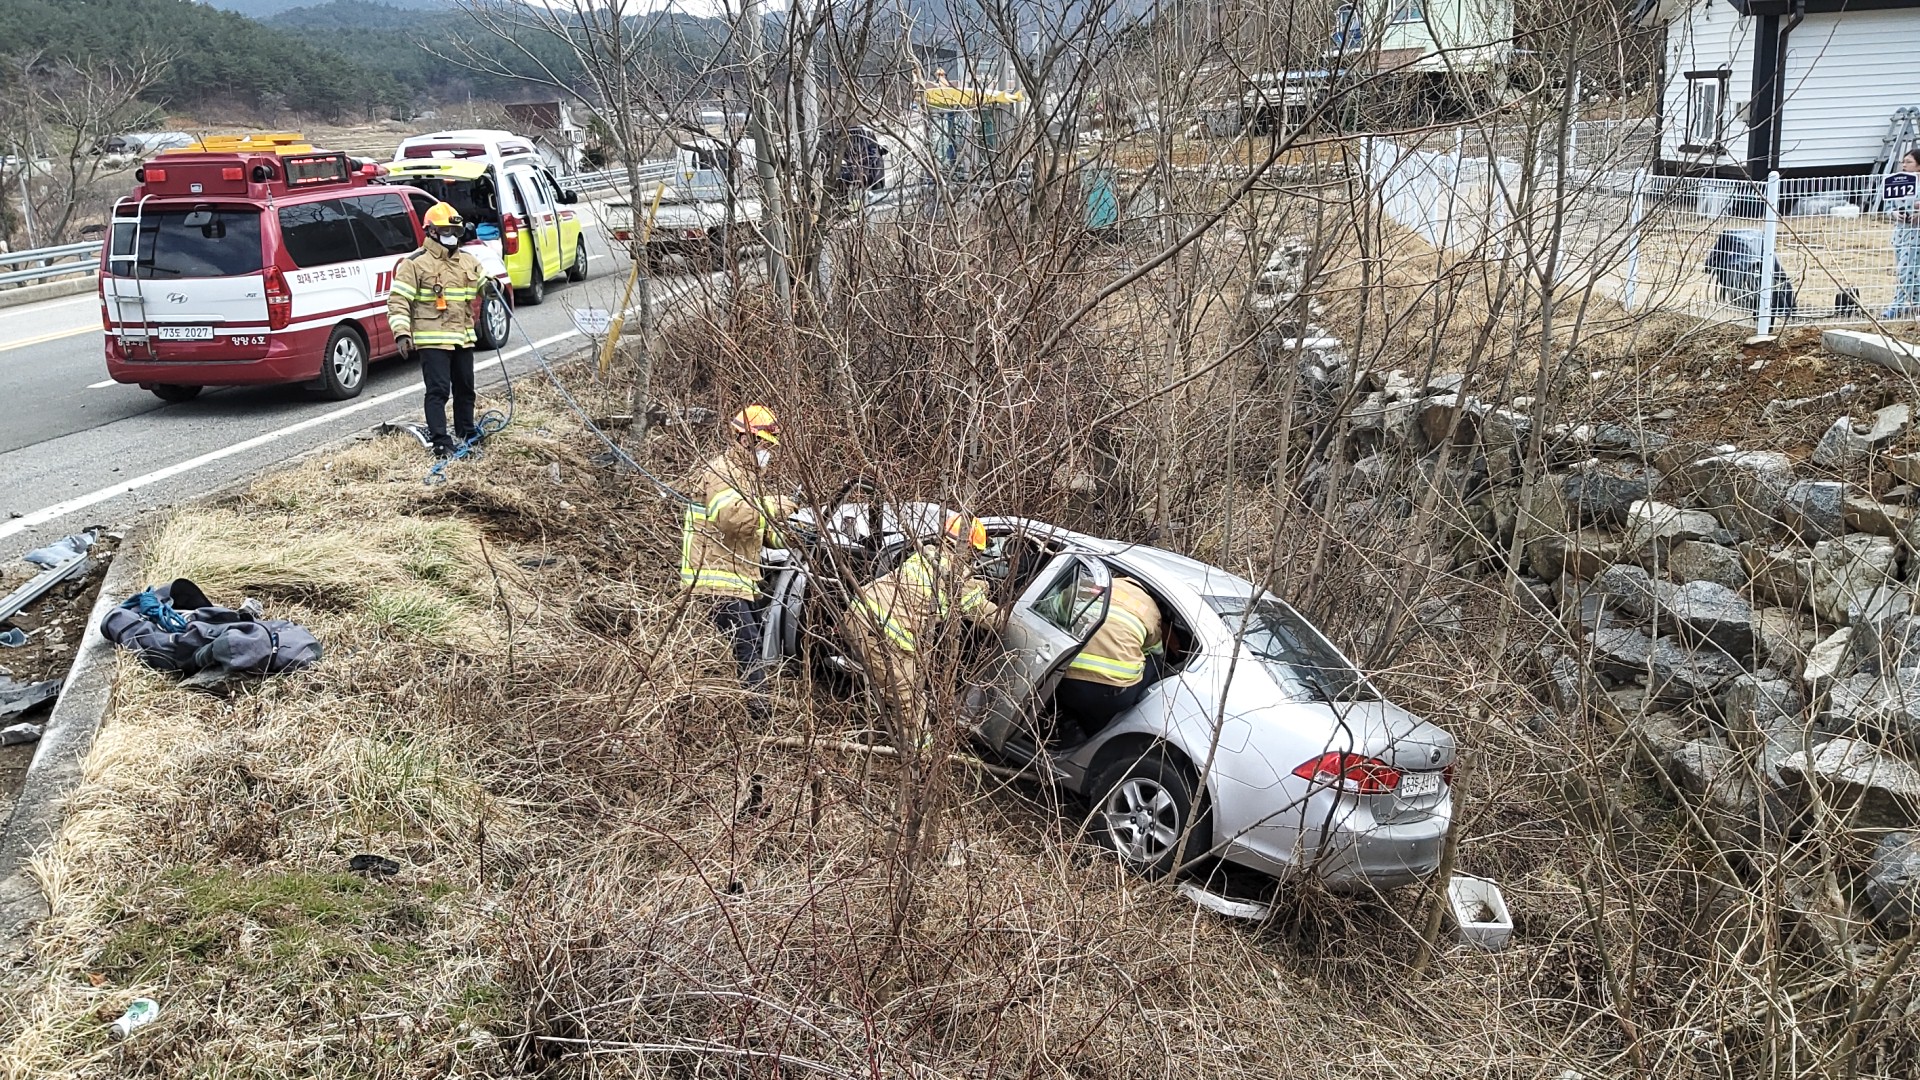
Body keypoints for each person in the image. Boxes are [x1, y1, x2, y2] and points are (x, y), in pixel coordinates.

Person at [682, 405, 796, 709]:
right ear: (745, 439)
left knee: (754, 642)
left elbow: (754, 529)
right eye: (764, 445)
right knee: (749, 646)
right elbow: (732, 520)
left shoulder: (746, 477)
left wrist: (788, 535)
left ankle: (754, 708)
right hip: (716, 578)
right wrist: (775, 506)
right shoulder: (723, 473)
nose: (767, 452)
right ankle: (760, 715)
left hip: (738, 579)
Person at [846, 513, 1000, 735]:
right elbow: (991, 618)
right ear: (969, 549)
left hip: (861, 610)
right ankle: (920, 752)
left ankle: (882, 727)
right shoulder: (956, 578)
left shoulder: (926, 556)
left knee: (894, 687)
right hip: (883, 631)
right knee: (909, 703)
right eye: (976, 553)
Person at [389, 202, 487, 457]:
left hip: (462, 337)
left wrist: (492, 286)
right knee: (438, 391)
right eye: (446, 230)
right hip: (432, 339)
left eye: (456, 230)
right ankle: (441, 442)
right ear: (431, 231)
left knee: (465, 389)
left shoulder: (468, 261)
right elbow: (398, 301)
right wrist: (402, 333)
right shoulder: (415, 263)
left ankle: (467, 432)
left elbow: (484, 284)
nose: (452, 235)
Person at [1053, 575, 1164, 739]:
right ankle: (1092, 732)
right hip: (1115, 696)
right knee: (1155, 660)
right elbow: (1156, 649)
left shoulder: (1092, 584)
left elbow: (1055, 611)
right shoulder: (1150, 607)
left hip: (1068, 682)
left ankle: (1066, 722)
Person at [1892, 150, 1920, 319]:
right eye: (1903, 162)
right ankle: (1917, 304)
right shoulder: (1898, 183)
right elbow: (1889, 206)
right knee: (1912, 272)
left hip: (1916, 235)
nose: (1904, 165)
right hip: (1900, 233)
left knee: (1906, 270)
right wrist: (1894, 213)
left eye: (1909, 162)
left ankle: (1896, 306)